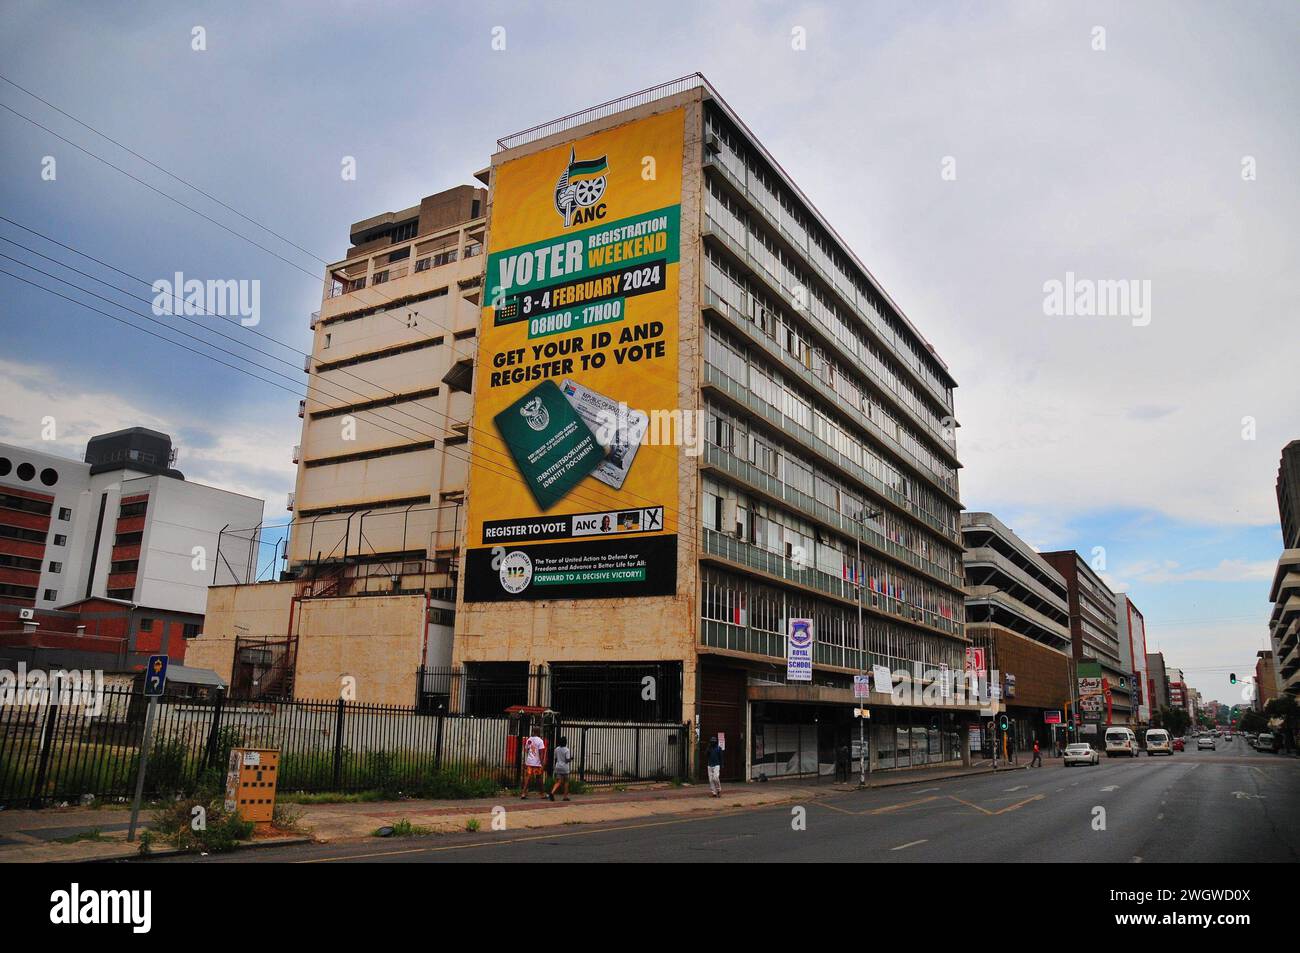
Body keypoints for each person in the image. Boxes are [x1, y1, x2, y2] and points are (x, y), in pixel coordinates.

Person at [520, 726, 546, 799]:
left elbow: (526, 750)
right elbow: (541, 753)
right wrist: (542, 763)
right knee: (539, 778)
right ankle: (542, 794)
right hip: (537, 763)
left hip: (529, 762)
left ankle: (523, 793)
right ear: (538, 732)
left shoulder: (529, 740)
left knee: (528, 777)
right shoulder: (540, 741)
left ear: (533, 731)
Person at [549, 736, 572, 801]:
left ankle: (552, 792)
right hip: (565, 767)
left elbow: (556, 758)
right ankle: (565, 796)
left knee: (558, 781)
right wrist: (571, 759)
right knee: (566, 782)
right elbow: (567, 760)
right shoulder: (567, 750)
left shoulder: (557, 749)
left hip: (558, 766)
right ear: (566, 742)